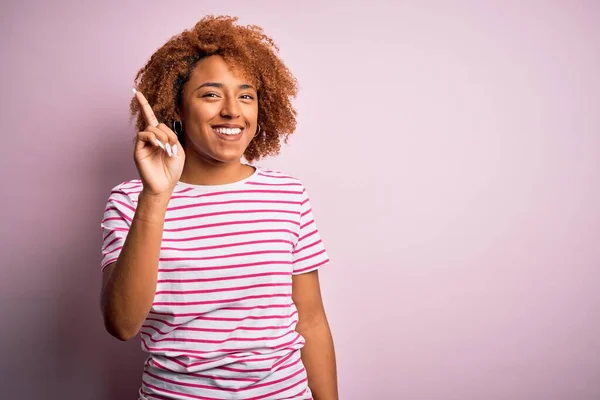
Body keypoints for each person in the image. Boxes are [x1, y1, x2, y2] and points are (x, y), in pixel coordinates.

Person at [99, 15, 338, 400]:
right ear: (175, 109)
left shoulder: (288, 196)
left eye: (246, 95)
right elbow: (122, 324)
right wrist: (156, 198)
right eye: (211, 94)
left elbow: (310, 320)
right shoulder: (132, 200)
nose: (232, 110)